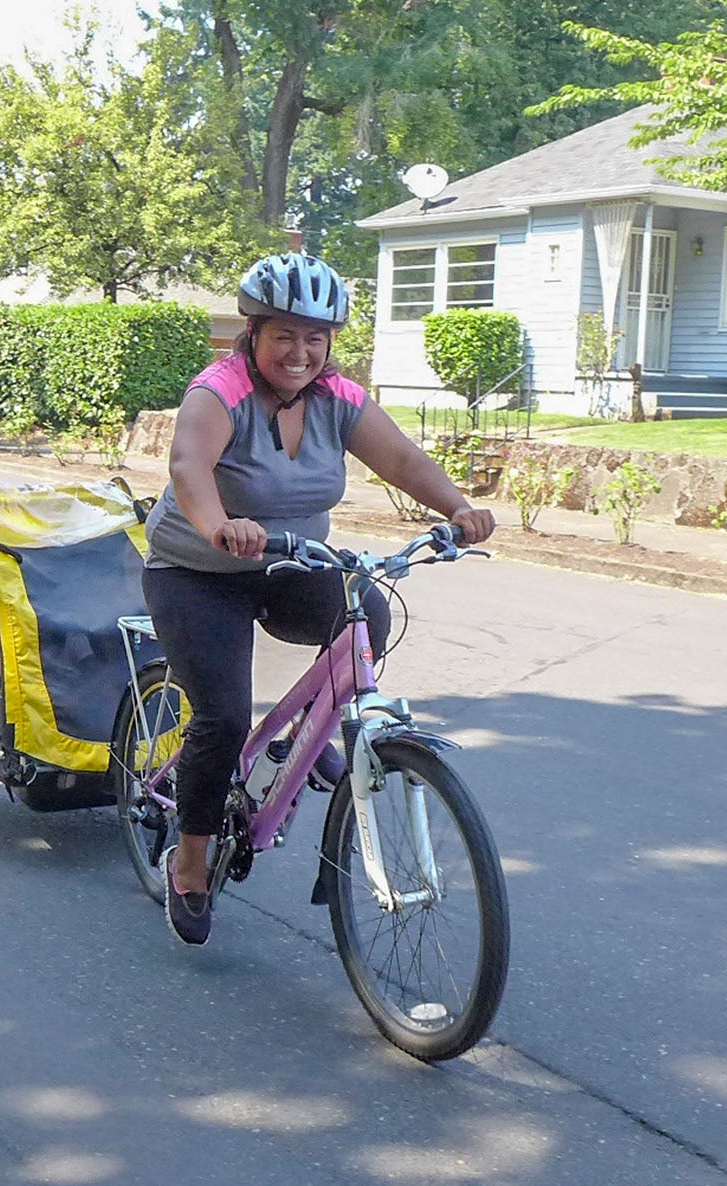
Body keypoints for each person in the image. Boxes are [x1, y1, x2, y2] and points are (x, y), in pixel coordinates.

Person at [143, 251, 495, 945]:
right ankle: (187, 863)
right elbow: (189, 464)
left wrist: (459, 507)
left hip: (287, 562)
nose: (300, 353)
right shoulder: (219, 390)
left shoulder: (340, 398)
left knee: (368, 611)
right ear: (254, 333)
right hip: (197, 569)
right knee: (221, 714)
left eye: (315, 337)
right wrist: (218, 525)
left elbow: (402, 460)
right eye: (284, 336)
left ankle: (315, 736)